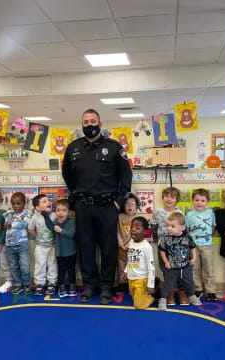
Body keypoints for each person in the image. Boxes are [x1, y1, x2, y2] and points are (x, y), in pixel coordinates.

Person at [62, 108, 132, 305]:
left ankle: (107, 287)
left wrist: (118, 201)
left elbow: (126, 177)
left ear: (100, 124)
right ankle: (89, 286)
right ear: (82, 125)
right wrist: (75, 197)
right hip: (83, 207)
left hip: (107, 207)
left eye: (93, 121)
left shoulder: (113, 147)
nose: (90, 125)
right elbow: (67, 176)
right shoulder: (73, 148)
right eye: (86, 122)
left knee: (109, 249)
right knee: (86, 248)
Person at [158, 212, 202, 310]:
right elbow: (162, 250)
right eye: (168, 226)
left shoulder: (187, 237)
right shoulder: (166, 238)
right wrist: (166, 262)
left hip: (185, 266)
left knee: (189, 282)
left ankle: (191, 295)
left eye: (173, 226)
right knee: (168, 283)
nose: (169, 228)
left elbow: (192, 247)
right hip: (172, 268)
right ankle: (163, 298)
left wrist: (194, 257)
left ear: (182, 227)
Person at [150, 187, 185, 305]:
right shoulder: (158, 212)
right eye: (166, 196)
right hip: (163, 246)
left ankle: (181, 291)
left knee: (179, 269)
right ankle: (169, 292)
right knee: (166, 269)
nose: (169, 199)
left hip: (177, 248)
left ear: (176, 200)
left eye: (172, 197)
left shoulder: (179, 212)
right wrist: (156, 241)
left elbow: (184, 230)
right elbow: (154, 227)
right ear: (162, 198)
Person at [186, 188, 217, 301]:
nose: (199, 202)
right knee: (195, 268)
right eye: (197, 200)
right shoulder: (189, 215)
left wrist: (208, 237)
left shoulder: (210, 213)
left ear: (207, 202)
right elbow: (187, 229)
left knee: (209, 269)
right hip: (193, 246)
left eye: (202, 200)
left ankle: (210, 290)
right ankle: (197, 288)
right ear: (193, 201)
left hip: (207, 245)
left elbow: (213, 227)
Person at [28, 194, 57, 296]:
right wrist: (36, 237)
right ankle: (39, 284)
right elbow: (30, 229)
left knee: (52, 264)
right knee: (40, 265)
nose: (48, 202)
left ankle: (52, 283)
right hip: (40, 246)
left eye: (48, 200)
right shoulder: (35, 217)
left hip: (52, 246)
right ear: (38, 207)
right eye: (44, 202)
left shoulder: (54, 216)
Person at [125, 216, 155, 309]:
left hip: (141, 279)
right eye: (132, 227)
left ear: (145, 232)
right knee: (133, 297)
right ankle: (143, 294)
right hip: (131, 278)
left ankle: (151, 297)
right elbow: (130, 258)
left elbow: (151, 267)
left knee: (139, 305)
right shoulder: (131, 242)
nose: (133, 230)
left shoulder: (146, 247)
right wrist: (126, 271)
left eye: (137, 228)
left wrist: (150, 284)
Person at [4, 192, 31, 295]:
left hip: (22, 244)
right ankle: (18, 285)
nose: (16, 206)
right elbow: (6, 225)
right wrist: (12, 223)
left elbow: (25, 223)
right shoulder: (9, 214)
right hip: (9, 245)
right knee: (13, 266)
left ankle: (27, 284)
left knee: (24, 266)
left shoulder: (27, 213)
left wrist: (12, 224)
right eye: (14, 204)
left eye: (18, 203)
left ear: (24, 203)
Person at [53, 198, 77, 298]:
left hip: (71, 252)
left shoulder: (72, 222)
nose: (61, 213)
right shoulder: (54, 222)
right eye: (58, 210)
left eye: (64, 210)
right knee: (61, 272)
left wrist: (61, 231)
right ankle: (61, 287)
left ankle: (72, 287)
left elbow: (72, 235)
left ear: (69, 212)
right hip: (60, 253)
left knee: (71, 271)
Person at [117, 193, 139, 295]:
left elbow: (138, 234)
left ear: (136, 206)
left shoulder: (138, 218)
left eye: (132, 204)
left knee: (133, 265)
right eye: (127, 204)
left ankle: (133, 283)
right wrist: (121, 243)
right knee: (121, 265)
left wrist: (130, 244)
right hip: (121, 247)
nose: (130, 206)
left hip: (134, 247)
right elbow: (116, 231)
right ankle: (122, 283)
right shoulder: (119, 217)